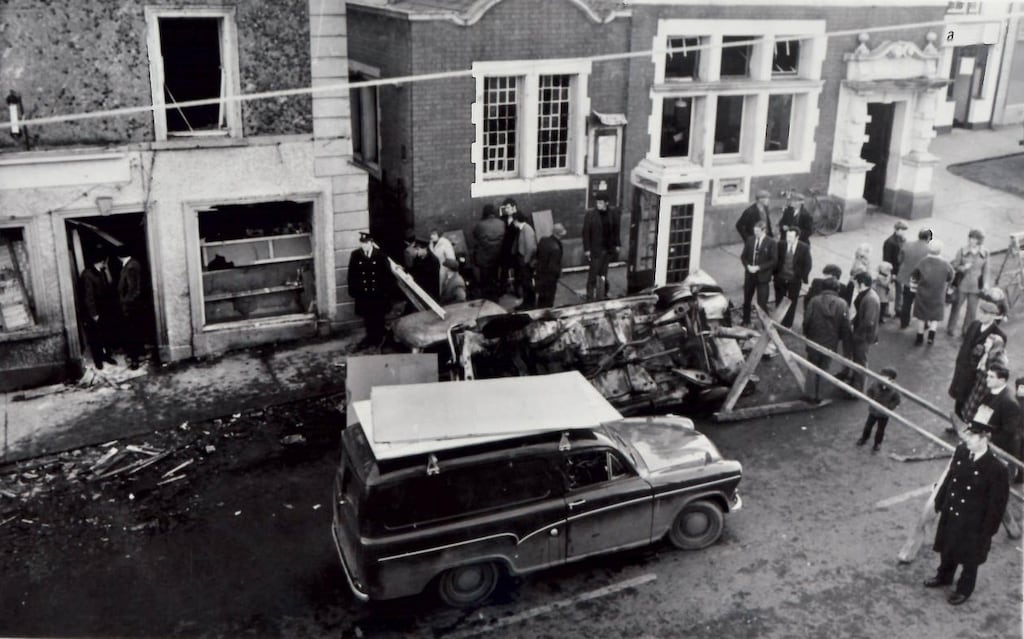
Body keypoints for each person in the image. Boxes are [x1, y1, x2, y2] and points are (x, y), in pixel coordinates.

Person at [924, 420, 1009, 605]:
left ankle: (964, 589)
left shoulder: (997, 469)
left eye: (972, 436)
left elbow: (997, 505)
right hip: (953, 511)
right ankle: (944, 576)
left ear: (984, 439)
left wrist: (987, 531)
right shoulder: (962, 451)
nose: (966, 439)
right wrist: (940, 501)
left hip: (974, 523)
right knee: (948, 547)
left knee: (970, 559)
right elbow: (950, 478)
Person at [969, 364, 1022, 539]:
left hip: (1002, 454)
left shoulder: (1009, 402)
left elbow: (1009, 432)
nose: (987, 379)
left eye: (991, 377)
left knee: (998, 493)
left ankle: (1010, 527)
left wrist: (986, 437)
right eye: (988, 376)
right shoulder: (991, 394)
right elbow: (982, 414)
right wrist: (973, 428)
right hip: (987, 448)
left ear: (1002, 380)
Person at [948, 294, 1008, 421]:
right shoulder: (974, 324)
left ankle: (964, 426)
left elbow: (996, 359)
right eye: (981, 312)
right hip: (963, 370)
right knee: (958, 400)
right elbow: (965, 345)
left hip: (977, 378)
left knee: (969, 406)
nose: (981, 315)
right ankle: (955, 425)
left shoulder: (998, 335)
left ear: (993, 316)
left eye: (985, 313)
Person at [802, 278, 850, 402]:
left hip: (814, 338)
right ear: (837, 289)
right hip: (831, 340)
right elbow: (845, 326)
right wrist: (840, 338)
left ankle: (810, 395)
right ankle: (820, 395)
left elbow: (807, 320)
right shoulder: (842, 304)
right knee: (824, 367)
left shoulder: (814, 301)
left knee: (812, 366)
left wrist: (807, 333)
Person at [347, 231, 393, 349]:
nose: (364, 245)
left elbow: (388, 276)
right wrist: (353, 291)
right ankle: (370, 338)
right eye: (362, 243)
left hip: (378, 294)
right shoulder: (356, 255)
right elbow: (352, 275)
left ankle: (379, 339)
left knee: (378, 317)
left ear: (371, 243)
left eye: (366, 243)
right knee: (367, 317)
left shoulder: (380, 255)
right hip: (364, 294)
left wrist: (386, 293)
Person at [947, 229, 989, 337]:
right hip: (962, 284)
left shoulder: (985, 253)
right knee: (956, 306)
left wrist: (985, 284)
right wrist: (963, 267)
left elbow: (986, 270)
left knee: (972, 310)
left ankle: (966, 331)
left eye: (975, 239)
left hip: (976, 286)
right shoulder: (962, 251)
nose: (971, 240)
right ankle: (951, 328)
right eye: (970, 238)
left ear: (979, 240)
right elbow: (954, 266)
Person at [79, 252, 118, 369]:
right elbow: (88, 297)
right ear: (101, 261)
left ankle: (107, 356)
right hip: (95, 312)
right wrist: (94, 313)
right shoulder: (87, 274)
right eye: (104, 262)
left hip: (104, 310)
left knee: (106, 334)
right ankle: (98, 360)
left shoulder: (102, 272)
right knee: (95, 337)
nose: (105, 264)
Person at [911, 239, 954, 346]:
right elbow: (951, 276)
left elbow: (915, 275)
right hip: (938, 293)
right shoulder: (946, 264)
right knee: (935, 316)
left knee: (921, 316)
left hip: (923, 293)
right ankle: (931, 337)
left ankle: (919, 337)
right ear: (940, 250)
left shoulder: (922, 262)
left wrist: (917, 284)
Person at [843, 271, 880, 393]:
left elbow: (868, 321)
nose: (855, 285)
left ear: (862, 283)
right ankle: (855, 383)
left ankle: (858, 390)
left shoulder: (870, 299)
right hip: (861, 334)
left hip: (863, 336)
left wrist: (857, 333)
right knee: (858, 359)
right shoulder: (867, 294)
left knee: (861, 361)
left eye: (856, 283)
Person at [582, 193, 620, 301]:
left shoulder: (612, 214)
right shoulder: (590, 215)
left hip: (607, 249)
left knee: (603, 273)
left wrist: (617, 244)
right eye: (597, 202)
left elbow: (616, 230)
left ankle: (603, 293)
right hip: (596, 249)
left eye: (600, 203)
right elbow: (585, 232)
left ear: (606, 203)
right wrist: (587, 249)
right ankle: (590, 296)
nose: (598, 204)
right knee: (593, 274)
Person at [772, 226, 811, 328]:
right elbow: (775, 260)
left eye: (791, 237)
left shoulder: (804, 248)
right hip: (780, 278)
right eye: (787, 236)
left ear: (797, 237)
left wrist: (801, 276)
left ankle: (787, 324)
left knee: (792, 302)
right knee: (779, 300)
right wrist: (774, 274)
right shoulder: (781, 244)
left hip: (794, 280)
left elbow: (808, 265)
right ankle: (779, 322)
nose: (788, 239)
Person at [740, 220, 777, 326]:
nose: (755, 233)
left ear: (763, 230)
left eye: (757, 231)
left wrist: (759, 268)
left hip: (763, 277)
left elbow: (773, 260)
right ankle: (746, 320)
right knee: (747, 300)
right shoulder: (750, 240)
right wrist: (748, 266)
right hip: (750, 275)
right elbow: (743, 256)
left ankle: (764, 324)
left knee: (762, 302)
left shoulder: (771, 242)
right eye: (754, 231)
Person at [116, 245, 146, 370]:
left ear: (119, 257)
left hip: (131, 306)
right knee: (136, 330)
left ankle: (134, 360)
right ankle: (139, 352)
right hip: (133, 305)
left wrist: (125, 302)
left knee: (132, 332)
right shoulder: (132, 264)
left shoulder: (130, 267)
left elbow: (134, 289)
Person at [858, 367, 901, 452]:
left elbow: (897, 400)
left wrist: (889, 407)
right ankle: (864, 438)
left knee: (880, 430)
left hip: (884, 414)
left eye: (883, 376)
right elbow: (869, 391)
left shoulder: (895, 389)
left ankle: (877, 443)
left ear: (891, 379)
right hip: (873, 410)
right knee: (868, 426)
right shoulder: (875, 383)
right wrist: (870, 399)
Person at [897, 228, 933, 329]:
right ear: (928, 238)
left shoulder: (907, 244)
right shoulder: (929, 250)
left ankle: (904, 322)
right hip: (921, 281)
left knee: (906, 302)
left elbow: (900, 259)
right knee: (923, 303)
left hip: (907, 279)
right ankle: (924, 323)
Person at [471, 204, 505, 300]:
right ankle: (496, 298)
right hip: (497, 257)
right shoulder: (501, 223)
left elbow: (475, 235)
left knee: (485, 281)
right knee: (495, 277)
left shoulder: (480, 225)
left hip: (484, 258)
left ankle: (487, 299)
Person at [535, 223, 566, 309]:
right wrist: (558, 274)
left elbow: (537, 255)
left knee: (541, 298)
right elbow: (553, 266)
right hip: (550, 278)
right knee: (549, 300)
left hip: (540, 274)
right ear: (560, 234)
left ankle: (539, 310)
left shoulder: (543, 240)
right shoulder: (556, 248)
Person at [512, 212, 537, 310]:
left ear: (516, 220)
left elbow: (531, 247)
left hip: (525, 260)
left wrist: (526, 261)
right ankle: (527, 302)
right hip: (522, 259)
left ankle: (529, 303)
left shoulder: (527, 229)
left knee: (527, 283)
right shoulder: (522, 229)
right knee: (524, 283)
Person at [882, 221, 908, 317]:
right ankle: (885, 310)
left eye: (905, 230)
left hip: (900, 270)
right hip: (892, 270)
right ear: (896, 230)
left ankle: (898, 309)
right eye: (902, 230)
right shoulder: (889, 242)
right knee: (888, 290)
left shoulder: (903, 240)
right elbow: (887, 259)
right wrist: (891, 272)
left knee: (899, 290)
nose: (904, 232)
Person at [408, 237, 441, 304]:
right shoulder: (417, 258)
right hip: (420, 290)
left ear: (425, 248)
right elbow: (413, 269)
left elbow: (430, 280)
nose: (416, 251)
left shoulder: (433, 261)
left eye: (418, 249)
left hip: (430, 294)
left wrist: (414, 278)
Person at [499, 199, 520, 295]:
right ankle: (503, 289)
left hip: (516, 249)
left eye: (508, 207)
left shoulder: (520, 218)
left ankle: (517, 290)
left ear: (514, 207)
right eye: (505, 208)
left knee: (517, 271)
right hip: (506, 249)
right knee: (504, 270)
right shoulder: (503, 219)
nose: (506, 210)